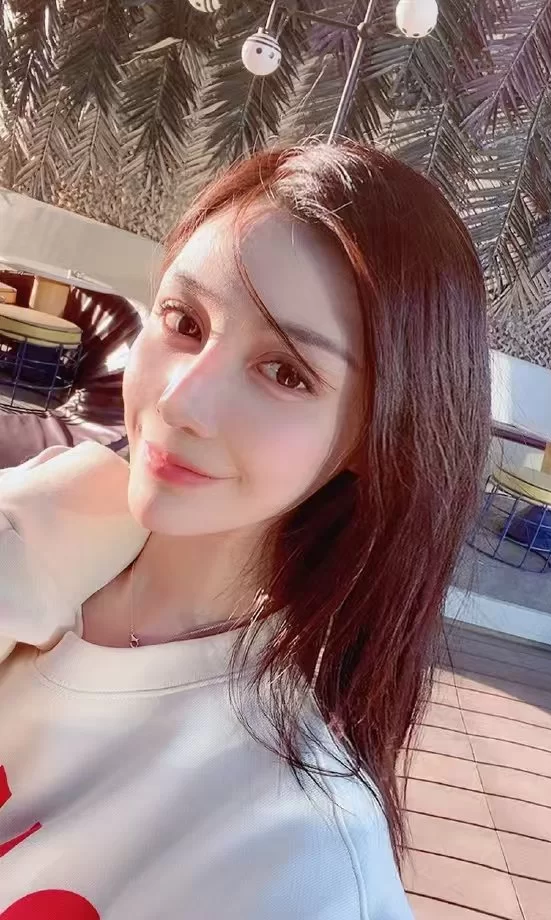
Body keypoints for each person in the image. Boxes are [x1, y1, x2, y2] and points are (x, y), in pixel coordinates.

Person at [0, 141, 490, 918]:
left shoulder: (302, 860)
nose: (181, 401)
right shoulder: (34, 543)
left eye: (285, 372)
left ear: (374, 437)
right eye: (185, 322)